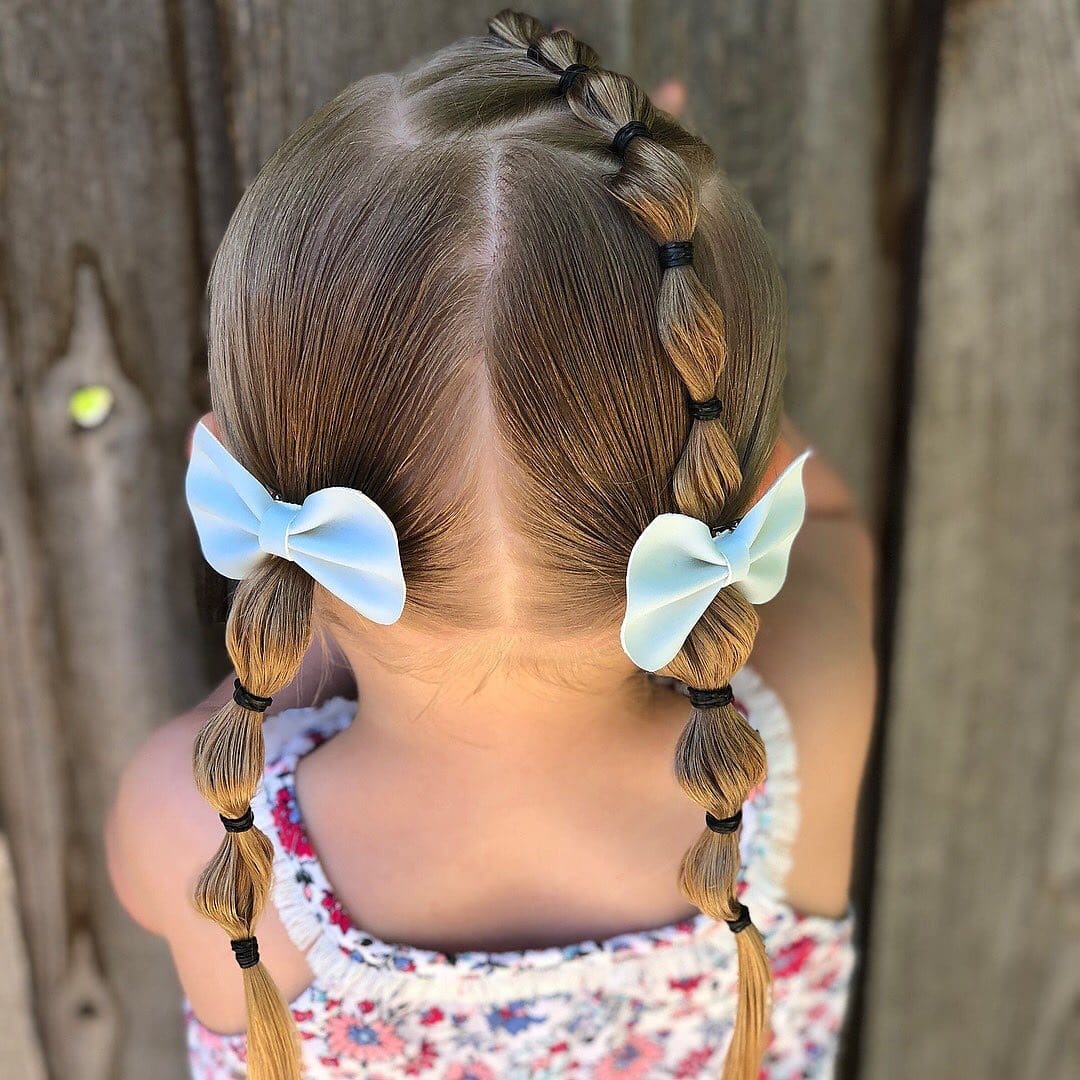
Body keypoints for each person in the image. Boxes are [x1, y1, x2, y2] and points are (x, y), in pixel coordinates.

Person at [106, 11, 874, 1079]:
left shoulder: (194, 827)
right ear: (727, 485)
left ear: (239, 480)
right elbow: (833, 525)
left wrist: (315, 640)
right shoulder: (811, 717)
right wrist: (697, 345)